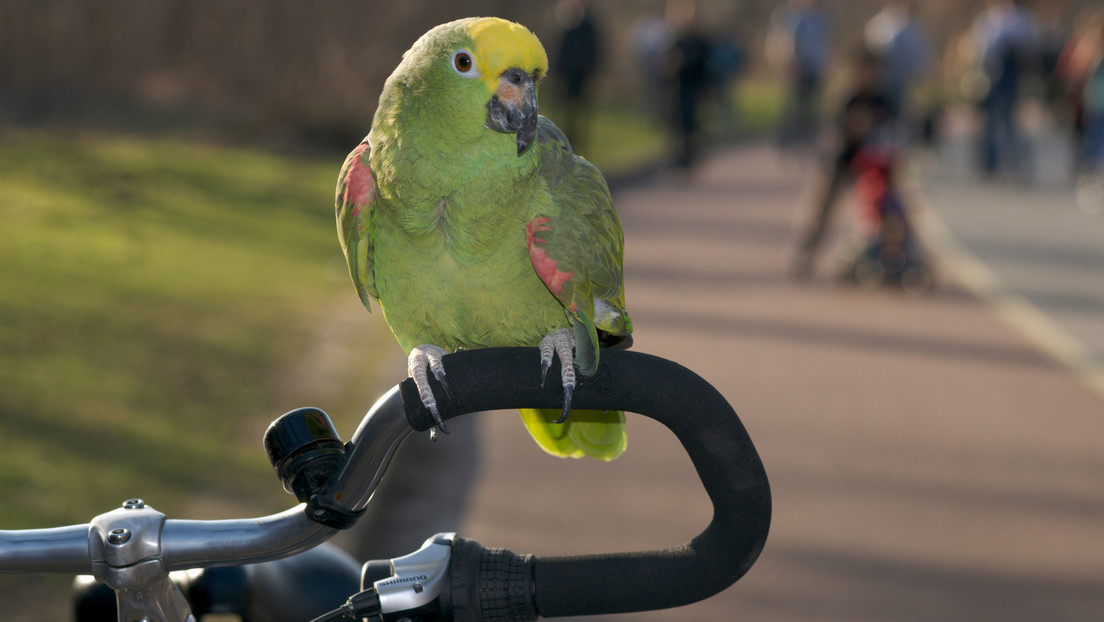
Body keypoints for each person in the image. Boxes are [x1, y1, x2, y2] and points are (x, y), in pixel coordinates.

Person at [790, 48, 892, 278]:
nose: (873, 78)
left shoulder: (882, 100)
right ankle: (803, 255)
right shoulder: (848, 97)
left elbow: (891, 131)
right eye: (869, 72)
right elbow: (836, 129)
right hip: (841, 163)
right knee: (820, 211)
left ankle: (865, 259)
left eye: (877, 73)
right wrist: (853, 126)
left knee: (876, 213)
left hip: (870, 167)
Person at [971, 0, 1040, 179]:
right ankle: (991, 163)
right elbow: (978, 50)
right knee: (990, 123)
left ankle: (1012, 162)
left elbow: (1031, 49)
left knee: (1009, 123)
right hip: (990, 77)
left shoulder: (1020, 20)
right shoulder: (989, 19)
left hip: (1011, 78)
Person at [767, 0, 832, 154]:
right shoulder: (788, 16)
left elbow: (824, 44)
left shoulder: (822, 18)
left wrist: (825, 66)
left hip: (815, 68)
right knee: (793, 107)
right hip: (795, 68)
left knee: (812, 107)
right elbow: (780, 41)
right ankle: (787, 142)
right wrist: (787, 62)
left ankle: (808, 141)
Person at [863, 1, 932, 137]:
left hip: (901, 82)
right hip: (880, 83)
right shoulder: (884, 25)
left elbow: (919, 58)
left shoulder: (910, 27)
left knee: (896, 120)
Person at [664, 0, 713, 171]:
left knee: (692, 126)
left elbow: (706, 66)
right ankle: (678, 159)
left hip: (694, 89)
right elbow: (666, 66)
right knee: (676, 125)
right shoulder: (674, 40)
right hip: (677, 89)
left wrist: (706, 89)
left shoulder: (701, 42)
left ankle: (690, 158)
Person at [551, 0, 603, 154]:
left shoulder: (588, 25)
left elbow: (593, 49)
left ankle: (578, 143)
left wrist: (591, 71)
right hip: (565, 74)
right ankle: (564, 139)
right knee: (565, 109)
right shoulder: (563, 22)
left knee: (580, 110)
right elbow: (558, 49)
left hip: (581, 75)